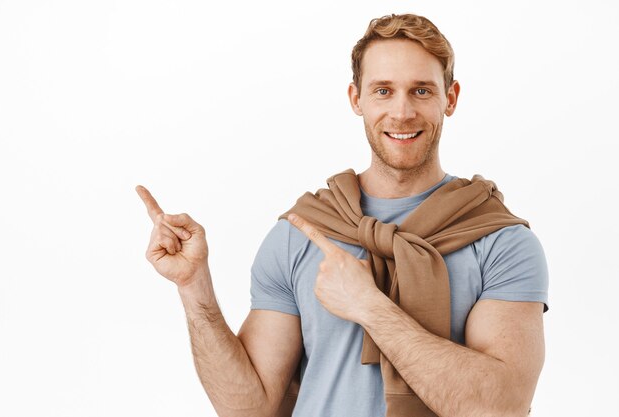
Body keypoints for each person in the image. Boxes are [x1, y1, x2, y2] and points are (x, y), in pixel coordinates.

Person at [137, 13, 548, 417]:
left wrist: (369, 306)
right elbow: (249, 408)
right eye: (383, 91)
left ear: (451, 98)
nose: (402, 112)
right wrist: (194, 287)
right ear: (357, 99)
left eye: (421, 91)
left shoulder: (500, 242)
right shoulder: (301, 233)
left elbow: (500, 408)